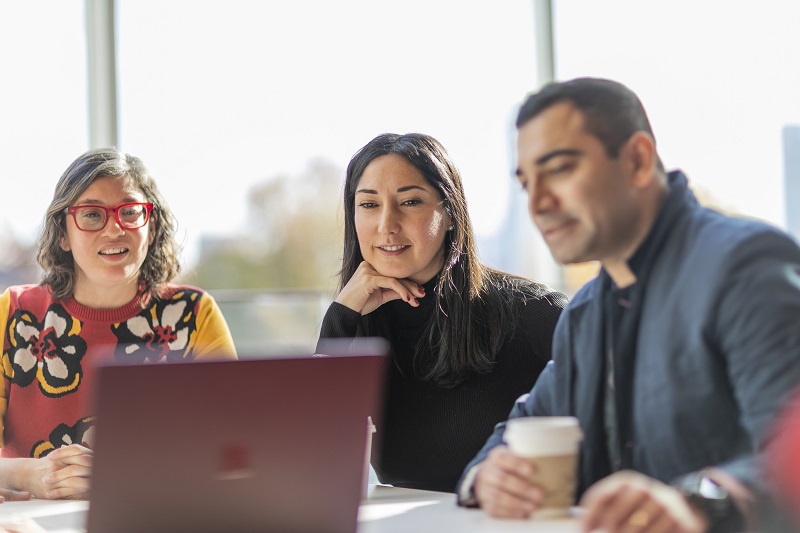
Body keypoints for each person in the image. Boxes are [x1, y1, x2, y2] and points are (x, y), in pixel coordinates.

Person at [457, 77, 800, 532]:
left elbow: (787, 454)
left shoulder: (743, 266)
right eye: (526, 183)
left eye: (559, 169)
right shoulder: (583, 314)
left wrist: (700, 502)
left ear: (637, 160)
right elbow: (520, 431)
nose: (537, 203)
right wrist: (488, 477)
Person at [316, 132, 567, 493]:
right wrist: (339, 315)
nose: (387, 224)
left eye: (410, 201)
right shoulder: (355, 321)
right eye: (369, 205)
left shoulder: (530, 311)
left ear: (450, 214)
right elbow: (313, 453)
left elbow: (628, 395)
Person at [0, 148, 237, 500]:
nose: (114, 229)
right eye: (92, 215)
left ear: (151, 226)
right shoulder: (14, 312)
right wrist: (30, 475)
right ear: (63, 234)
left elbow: (237, 450)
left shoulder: (195, 314)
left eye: (129, 212)